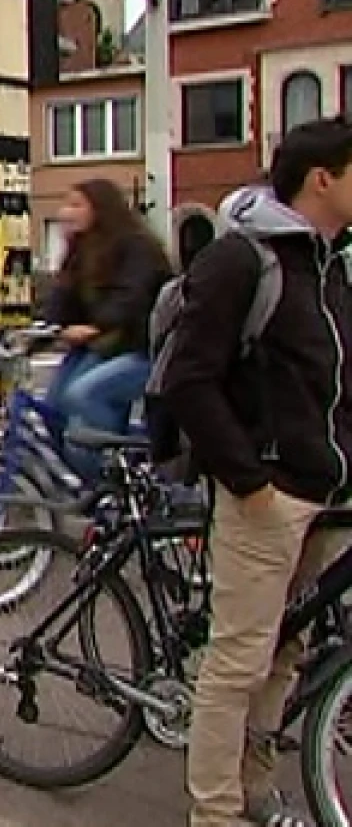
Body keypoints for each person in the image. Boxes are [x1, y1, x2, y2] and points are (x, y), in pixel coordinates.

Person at [167, 118, 352, 827]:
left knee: (286, 653)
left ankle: (253, 788)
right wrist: (251, 484)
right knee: (238, 663)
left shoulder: (331, 263)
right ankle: (214, 814)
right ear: (322, 179)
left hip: (325, 496)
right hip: (268, 495)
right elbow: (191, 379)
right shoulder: (245, 261)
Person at [41, 178, 174, 483]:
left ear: (101, 209)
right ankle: (88, 479)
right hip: (106, 347)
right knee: (53, 408)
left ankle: (110, 483)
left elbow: (133, 296)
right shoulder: (83, 250)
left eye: (76, 205)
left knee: (84, 394)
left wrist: (95, 326)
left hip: (146, 349)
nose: (65, 212)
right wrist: (56, 326)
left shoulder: (136, 246)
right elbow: (62, 305)